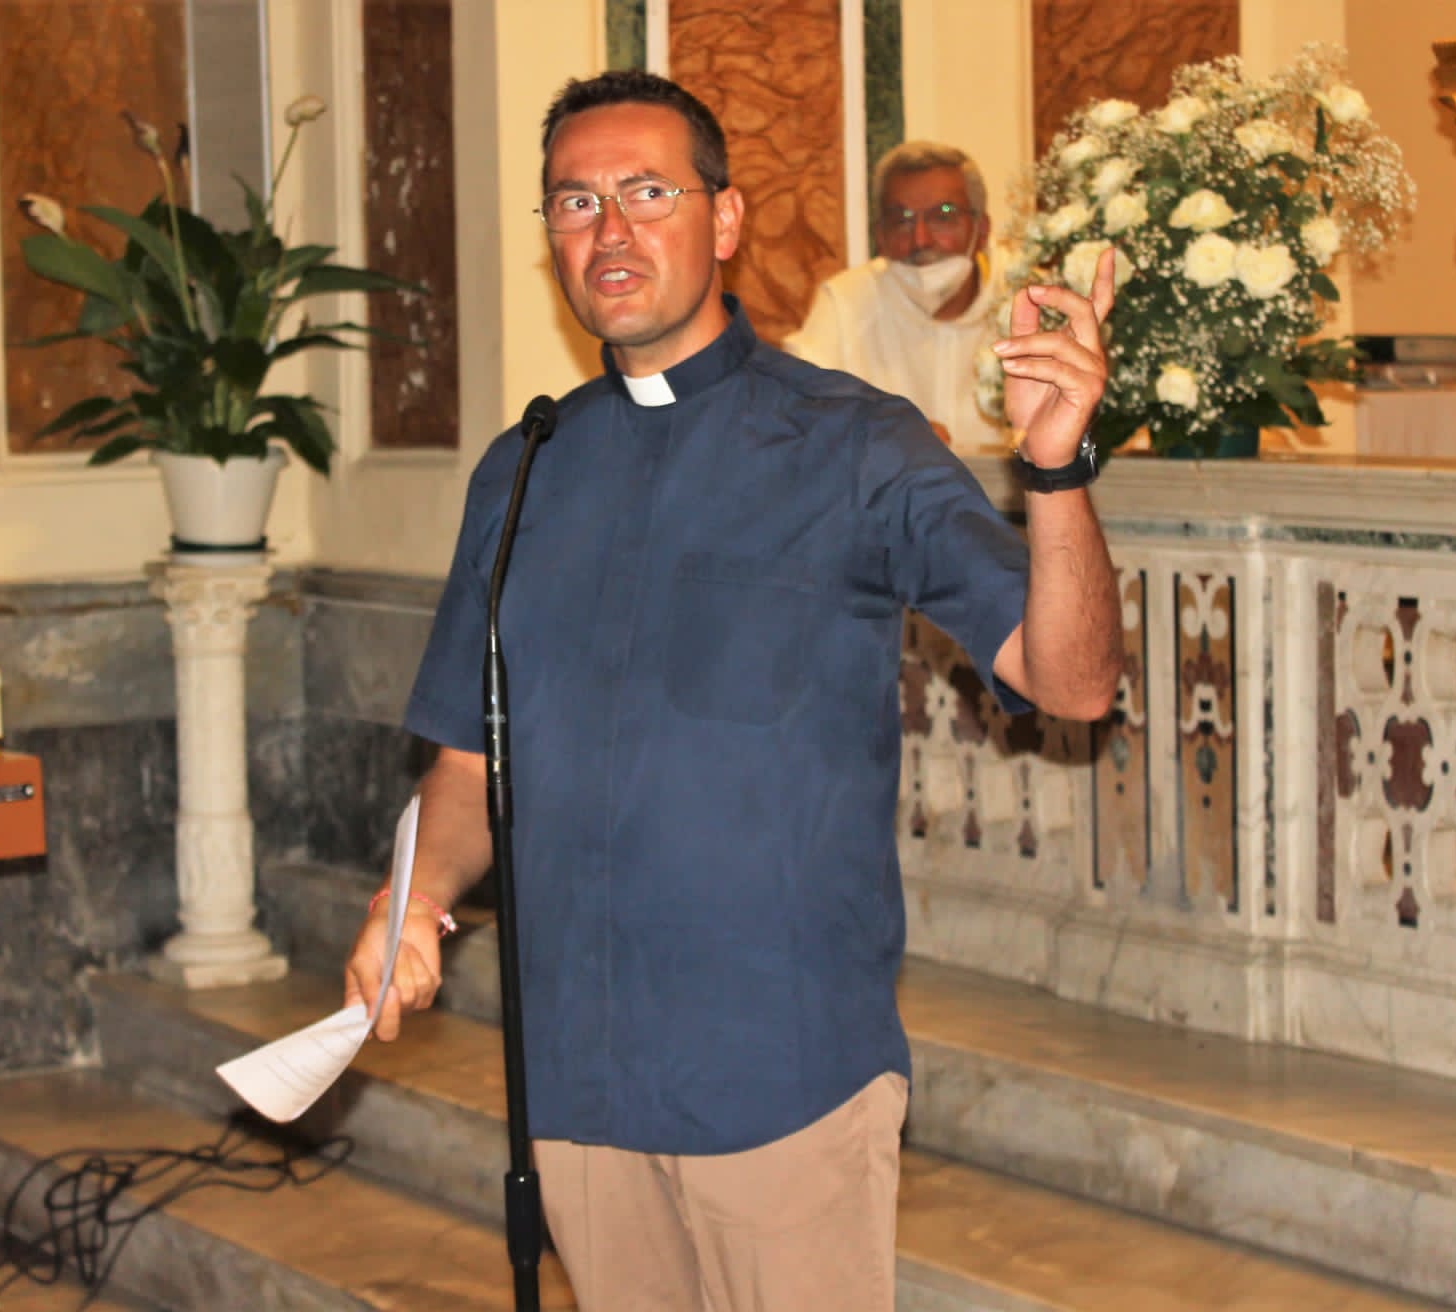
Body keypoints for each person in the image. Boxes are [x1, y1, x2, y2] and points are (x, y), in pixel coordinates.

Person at [342, 69, 1122, 1312]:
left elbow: (1068, 681)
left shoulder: (853, 443)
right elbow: (468, 763)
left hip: (780, 1073)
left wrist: (1055, 466)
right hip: (576, 1076)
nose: (609, 229)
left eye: (647, 192)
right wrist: (415, 900)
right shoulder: (524, 467)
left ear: (725, 217)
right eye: (575, 201)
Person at [785, 140, 1003, 450]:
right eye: (902, 220)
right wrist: (885, 431)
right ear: (880, 236)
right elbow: (796, 418)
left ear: (981, 230)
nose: (920, 239)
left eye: (942, 216)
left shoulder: (1027, 298)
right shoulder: (846, 303)